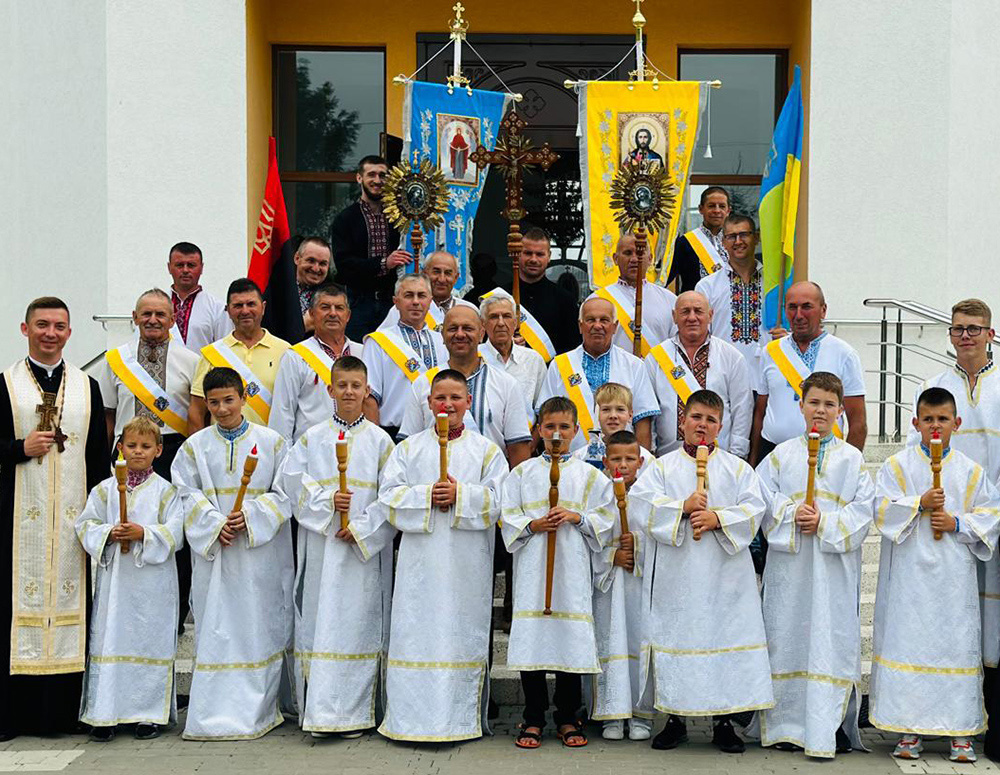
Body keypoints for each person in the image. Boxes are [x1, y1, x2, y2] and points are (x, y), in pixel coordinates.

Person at [361, 370, 506, 741]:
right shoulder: (408, 449)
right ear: (428, 403)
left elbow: (499, 501)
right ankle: (410, 720)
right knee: (417, 633)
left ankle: (459, 720)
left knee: (460, 632)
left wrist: (463, 496)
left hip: (466, 564)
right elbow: (389, 499)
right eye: (440, 398)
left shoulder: (486, 451)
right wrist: (427, 495)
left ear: (468, 402)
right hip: (420, 567)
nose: (448, 405)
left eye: (456, 398)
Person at [631, 389, 772, 754]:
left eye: (711, 420)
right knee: (679, 639)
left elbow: (755, 510)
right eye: (696, 418)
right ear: (683, 421)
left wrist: (717, 517)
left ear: (721, 426)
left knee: (721, 642)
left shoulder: (738, 469)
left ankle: (723, 721)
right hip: (679, 577)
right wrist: (682, 506)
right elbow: (641, 505)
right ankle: (675, 719)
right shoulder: (662, 467)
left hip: (726, 578)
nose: (703, 426)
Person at [0, 297, 109, 741]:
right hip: (16, 522)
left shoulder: (87, 387)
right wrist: (17, 449)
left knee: (71, 604)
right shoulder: (4, 385)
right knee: (13, 609)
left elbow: (100, 458)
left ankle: (61, 714)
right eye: (41, 325)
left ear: (69, 332)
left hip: (71, 521)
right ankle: (12, 716)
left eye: (59, 326)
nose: (50, 333)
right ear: (25, 330)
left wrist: (104, 516)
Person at [872, 386, 1000, 763]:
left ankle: (959, 731)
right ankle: (909, 729)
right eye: (928, 419)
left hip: (952, 580)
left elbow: (991, 516)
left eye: (943, 419)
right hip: (910, 579)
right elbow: (881, 510)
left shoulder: (971, 473)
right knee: (910, 644)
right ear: (915, 423)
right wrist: (918, 503)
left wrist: (957, 521)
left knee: (954, 647)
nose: (935, 427)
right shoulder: (897, 467)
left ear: (957, 423)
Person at [755, 372, 874, 757]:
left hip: (832, 570)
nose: (820, 410)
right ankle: (788, 725)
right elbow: (762, 498)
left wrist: (824, 521)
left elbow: (862, 511)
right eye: (813, 402)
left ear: (841, 410)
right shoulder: (781, 455)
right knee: (788, 636)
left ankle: (831, 725)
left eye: (829, 404)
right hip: (791, 568)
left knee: (831, 638)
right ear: (801, 405)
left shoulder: (852, 459)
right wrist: (791, 514)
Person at [172, 367, 293, 740]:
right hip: (217, 552)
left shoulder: (272, 443)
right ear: (205, 404)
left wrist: (252, 517)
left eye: (229, 400)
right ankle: (213, 710)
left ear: (243, 397)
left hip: (258, 554)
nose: (222, 409)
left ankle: (260, 708)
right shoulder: (194, 447)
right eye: (214, 403)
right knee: (217, 625)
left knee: (257, 623)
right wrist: (212, 523)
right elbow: (184, 494)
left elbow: (285, 492)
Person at [277, 355, 395, 737]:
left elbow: (392, 495)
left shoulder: (380, 442)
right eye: (341, 385)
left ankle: (358, 712)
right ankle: (322, 712)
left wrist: (362, 528)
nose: (348, 392)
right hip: (323, 548)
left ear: (366, 391)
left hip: (361, 553)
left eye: (356, 386)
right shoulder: (311, 438)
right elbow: (292, 482)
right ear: (330, 390)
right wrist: (329, 502)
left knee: (360, 624)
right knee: (320, 622)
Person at [904, 299, 1000, 756]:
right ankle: (948, 711)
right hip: (944, 524)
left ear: (990, 333)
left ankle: (990, 718)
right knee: (952, 620)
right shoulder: (935, 385)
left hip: (990, 515)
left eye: (974, 328)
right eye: (959, 329)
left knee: (994, 621)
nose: (966, 336)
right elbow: (915, 454)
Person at [502, 396, 615, 749]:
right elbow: (507, 515)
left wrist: (577, 517)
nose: (556, 433)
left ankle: (568, 715)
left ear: (577, 431)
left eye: (564, 427)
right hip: (534, 570)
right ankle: (533, 716)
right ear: (537, 430)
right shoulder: (521, 474)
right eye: (549, 426)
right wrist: (533, 523)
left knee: (570, 640)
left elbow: (606, 518)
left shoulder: (590, 476)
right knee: (533, 639)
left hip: (571, 572)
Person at [75, 416, 184, 742]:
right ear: (119, 447)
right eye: (132, 445)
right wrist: (109, 532)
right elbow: (85, 525)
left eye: (146, 446)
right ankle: (105, 713)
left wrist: (144, 533)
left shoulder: (166, 492)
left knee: (149, 639)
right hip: (117, 583)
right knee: (111, 638)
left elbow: (176, 531)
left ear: (159, 451)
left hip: (152, 582)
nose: (138, 452)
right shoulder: (104, 490)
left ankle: (148, 714)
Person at [398, 305, 531, 466]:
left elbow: (518, 449)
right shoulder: (423, 383)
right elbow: (408, 445)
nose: (460, 334)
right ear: (442, 335)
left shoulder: (506, 384)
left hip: (487, 486)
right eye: (453, 328)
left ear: (482, 333)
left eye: (468, 328)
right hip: (433, 485)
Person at [751, 281, 867, 465]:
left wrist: (848, 465)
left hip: (824, 455)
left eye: (806, 307)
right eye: (792, 307)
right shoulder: (770, 352)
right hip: (772, 454)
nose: (798, 315)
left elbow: (858, 421)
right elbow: (760, 412)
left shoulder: (844, 354)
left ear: (823, 310)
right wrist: (753, 461)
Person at [589, 430, 653, 741]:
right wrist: (611, 554)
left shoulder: (649, 496)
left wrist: (638, 546)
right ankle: (611, 713)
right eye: (616, 459)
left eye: (630, 459)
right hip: (609, 584)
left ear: (641, 462)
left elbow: (661, 536)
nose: (623, 465)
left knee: (637, 643)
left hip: (638, 584)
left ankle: (641, 714)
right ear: (605, 461)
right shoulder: (596, 494)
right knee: (608, 642)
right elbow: (587, 538)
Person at [539, 297, 659, 452]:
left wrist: (640, 467)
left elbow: (643, 419)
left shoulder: (634, 365)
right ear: (580, 326)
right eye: (590, 320)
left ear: (615, 326)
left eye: (604, 320)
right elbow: (546, 416)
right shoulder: (559, 364)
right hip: (570, 462)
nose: (597, 326)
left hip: (620, 462)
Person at [101, 289, 200, 476]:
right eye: (146, 314)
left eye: (160, 314)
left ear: (172, 320)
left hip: (174, 453)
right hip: (127, 450)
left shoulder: (192, 361)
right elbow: (108, 414)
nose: (153, 320)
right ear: (135, 317)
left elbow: (198, 416)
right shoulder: (115, 360)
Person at [645, 291, 752, 458]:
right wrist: (651, 456)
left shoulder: (731, 357)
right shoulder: (656, 357)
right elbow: (648, 411)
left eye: (698, 311)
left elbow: (742, 410)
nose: (692, 317)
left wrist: (737, 456)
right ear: (674, 316)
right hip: (668, 460)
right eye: (685, 311)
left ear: (710, 315)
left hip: (719, 460)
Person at [189, 278, 290, 433]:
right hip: (222, 446)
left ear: (263, 308)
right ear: (228, 310)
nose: (245, 311)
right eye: (238, 306)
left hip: (269, 447)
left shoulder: (285, 351)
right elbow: (197, 411)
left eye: (251, 304)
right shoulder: (211, 353)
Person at [332, 155, 413, 341]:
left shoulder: (399, 217)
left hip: (391, 301)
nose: (377, 181)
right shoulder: (346, 219)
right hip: (358, 302)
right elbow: (344, 265)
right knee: (358, 352)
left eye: (382, 175)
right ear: (359, 178)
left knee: (393, 354)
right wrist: (385, 263)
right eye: (371, 175)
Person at [269, 284, 362, 444]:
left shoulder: (363, 353)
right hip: (311, 453)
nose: (333, 313)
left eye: (339, 308)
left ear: (348, 315)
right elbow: (283, 412)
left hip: (357, 451)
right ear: (311, 313)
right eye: (325, 307)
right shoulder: (296, 356)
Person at [361, 274, 447, 440]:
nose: (415, 302)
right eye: (408, 295)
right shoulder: (378, 342)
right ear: (396, 301)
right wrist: (377, 443)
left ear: (430, 301)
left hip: (438, 434)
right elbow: (370, 398)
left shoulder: (443, 340)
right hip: (393, 434)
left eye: (421, 295)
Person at [696, 214, 770, 377]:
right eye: (731, 237)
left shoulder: (772, 283)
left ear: (756, 237)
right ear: (723, 243)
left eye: (744, 235)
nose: (738, 241)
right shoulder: (707, 286)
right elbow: (700, 337)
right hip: (723, 376)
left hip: (766, 374)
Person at [591, 232, 676, 355]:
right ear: (615, 258)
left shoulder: (670, 300)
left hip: (656, 372)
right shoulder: (597, 300)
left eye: (640, 253)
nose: (634, 259)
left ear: (650, 258)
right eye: (627, 253)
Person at [504, 227, 581, 356]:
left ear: (549, 256)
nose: (533, 259)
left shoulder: (565, 300)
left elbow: (573, 348)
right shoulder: (502, 297)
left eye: (540, 254)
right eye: (528, 253)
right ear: (518, 254)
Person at [478, 291, 547, 414]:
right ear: (483, 324)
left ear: (515, 323)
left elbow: (543, 409)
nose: (500, 323)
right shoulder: (473, 357)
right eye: (494, 317)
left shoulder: (533, 360)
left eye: (506, 316)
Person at [379, 251, 477, 331]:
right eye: (436, 272)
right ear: (425, 274)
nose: (442, 279)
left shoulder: (469, 309)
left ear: (456, 278)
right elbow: (384, 343)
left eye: (448, 273)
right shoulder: (402, 308)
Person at [572, 383, 654, 472]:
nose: (613, 416)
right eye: (606, 410)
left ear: (630, 415)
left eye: (620, 409)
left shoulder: (646, 459)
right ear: (597, 415)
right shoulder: (581, 457)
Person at [166, 241, 230, 352]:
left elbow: (225, 350)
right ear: (169, 267)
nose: (185, 270)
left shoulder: (217, 308)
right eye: (179, 265)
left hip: (202, 369)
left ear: (201, 268)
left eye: (191, 265)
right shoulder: (155, 305)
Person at [667, 187, 731, 293]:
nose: (717, 210)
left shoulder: (735, 242)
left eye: (722, 206)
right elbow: (665, 278)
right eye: (711, 206)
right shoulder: (685, 242)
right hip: (694, 307)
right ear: (701, 209)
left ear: (728, 211)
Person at [294, 237, 332, 337]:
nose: (316, 269)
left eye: (322, 264)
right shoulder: (278, 289)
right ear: (297, 258)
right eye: (311, 261)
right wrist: (303, 326)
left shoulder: (333, 297)